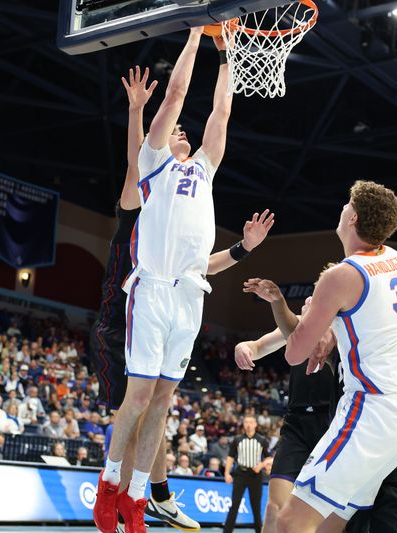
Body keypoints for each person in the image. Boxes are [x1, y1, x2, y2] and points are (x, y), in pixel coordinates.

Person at [94, 42, 273, 533]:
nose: (180, 131)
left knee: (163, 403)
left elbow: (222, 108)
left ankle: (137, 500)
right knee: (138, 397)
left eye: (181, 131)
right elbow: (174, 93)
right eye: (171, 129)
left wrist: (228, 53)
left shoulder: (205, 167)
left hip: (191, 294)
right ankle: (109, 487)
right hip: (151, 289)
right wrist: (197, 33)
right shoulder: (152, 168)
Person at [245, 181, 397, 533]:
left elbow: (294, 354)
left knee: (289, 521)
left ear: (352, 218)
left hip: (367, 412)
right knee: (330, 525)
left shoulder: (340, 276)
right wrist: (332, 329)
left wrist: (317, 323)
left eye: (345, 205)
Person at [223, 415, 268, 533]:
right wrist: (227, 473)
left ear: (255, 424)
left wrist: (262, 465)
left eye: (251, 422)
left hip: (255, 475)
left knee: (256, 506)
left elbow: (269, 458)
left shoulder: (262, 440)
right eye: (246, 422)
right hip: (240, 474)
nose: (248, 424)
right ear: (243, 424)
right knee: (235, 505)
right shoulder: (237, 439)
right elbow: (230, 457)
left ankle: (259, 531)